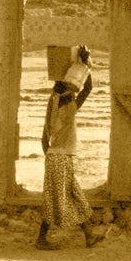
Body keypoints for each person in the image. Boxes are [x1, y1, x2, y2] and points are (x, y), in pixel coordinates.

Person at [37, 45, 102, 250]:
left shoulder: (53, 109)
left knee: (72, 196)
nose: (74, 96)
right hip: (62, 159)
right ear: (68, 97)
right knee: (58, 200)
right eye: (71, 94)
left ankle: (89, 234)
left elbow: (43, 140)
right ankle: (41, 239)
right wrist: (85, 65)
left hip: (55, 158)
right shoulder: (68, 110)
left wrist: (51, 154)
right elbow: (88, 89)